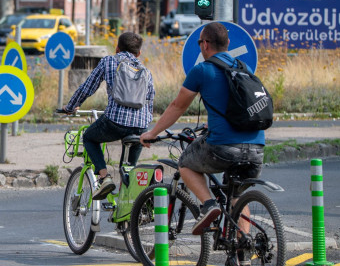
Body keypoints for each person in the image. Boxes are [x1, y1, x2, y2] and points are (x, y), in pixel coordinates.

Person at [139, 22, 265, 237]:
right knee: (237, 195)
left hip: (224, 147)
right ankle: (243, 250)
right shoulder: (244, 68)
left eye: (199, 43)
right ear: (227, 44)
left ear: (205, 44)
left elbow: (178, 106)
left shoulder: (202, 70)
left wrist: (152, 132)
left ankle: (208, 205)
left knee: (185, 163)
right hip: (257, 148)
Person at [63, 31, 155, 201]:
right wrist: (147, 132)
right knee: (128, 169)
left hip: (115, 122)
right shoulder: (146, 71)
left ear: (117, 48)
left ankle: (104, 178)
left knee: (89, 137)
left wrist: (71, 106)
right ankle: (129, 211)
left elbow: (87, 87)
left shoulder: (109, 61)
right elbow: (150, 102)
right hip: (141, 128)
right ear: (139, 53)